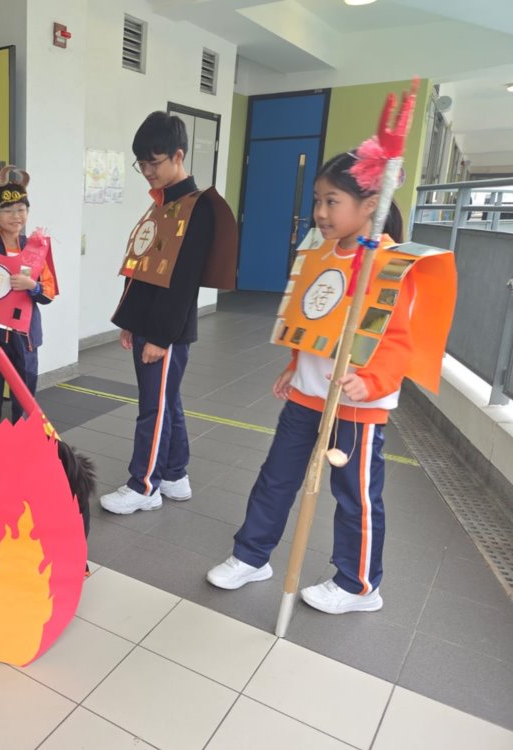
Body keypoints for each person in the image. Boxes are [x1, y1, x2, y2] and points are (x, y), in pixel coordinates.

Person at [207, 149, 456, 614]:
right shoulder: (319, 253)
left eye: (332, 201)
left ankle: (359, 585)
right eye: (317, 200)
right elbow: (310, 319)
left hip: (358, 405)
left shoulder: (390, 263)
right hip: (307, 395)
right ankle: (251, 556)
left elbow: (398, 339)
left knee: (355, 496)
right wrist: (294, 365)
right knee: (276, 478)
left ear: (369, 205)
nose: (320, 212)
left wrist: (373, 381)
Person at [100, 112, 226, 515]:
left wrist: (159, 337)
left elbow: (184, 281)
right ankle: (174, 474)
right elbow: (145, 269)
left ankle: (144, 485)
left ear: (178, 155)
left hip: (165, 330)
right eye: (141, 164)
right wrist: (130, 322)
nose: (147, 172)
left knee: (153, 409)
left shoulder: (196, 207)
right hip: (149, 324)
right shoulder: (164, 205)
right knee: (167, 401)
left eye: (154, 163)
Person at [0, 166, 57, 443]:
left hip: (26, 336)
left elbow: (49, 293)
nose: (16, 216)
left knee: (25, 397)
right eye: (7, 210)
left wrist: (33, 286)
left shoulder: (36, 249)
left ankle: (22, 448)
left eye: (21, 209)